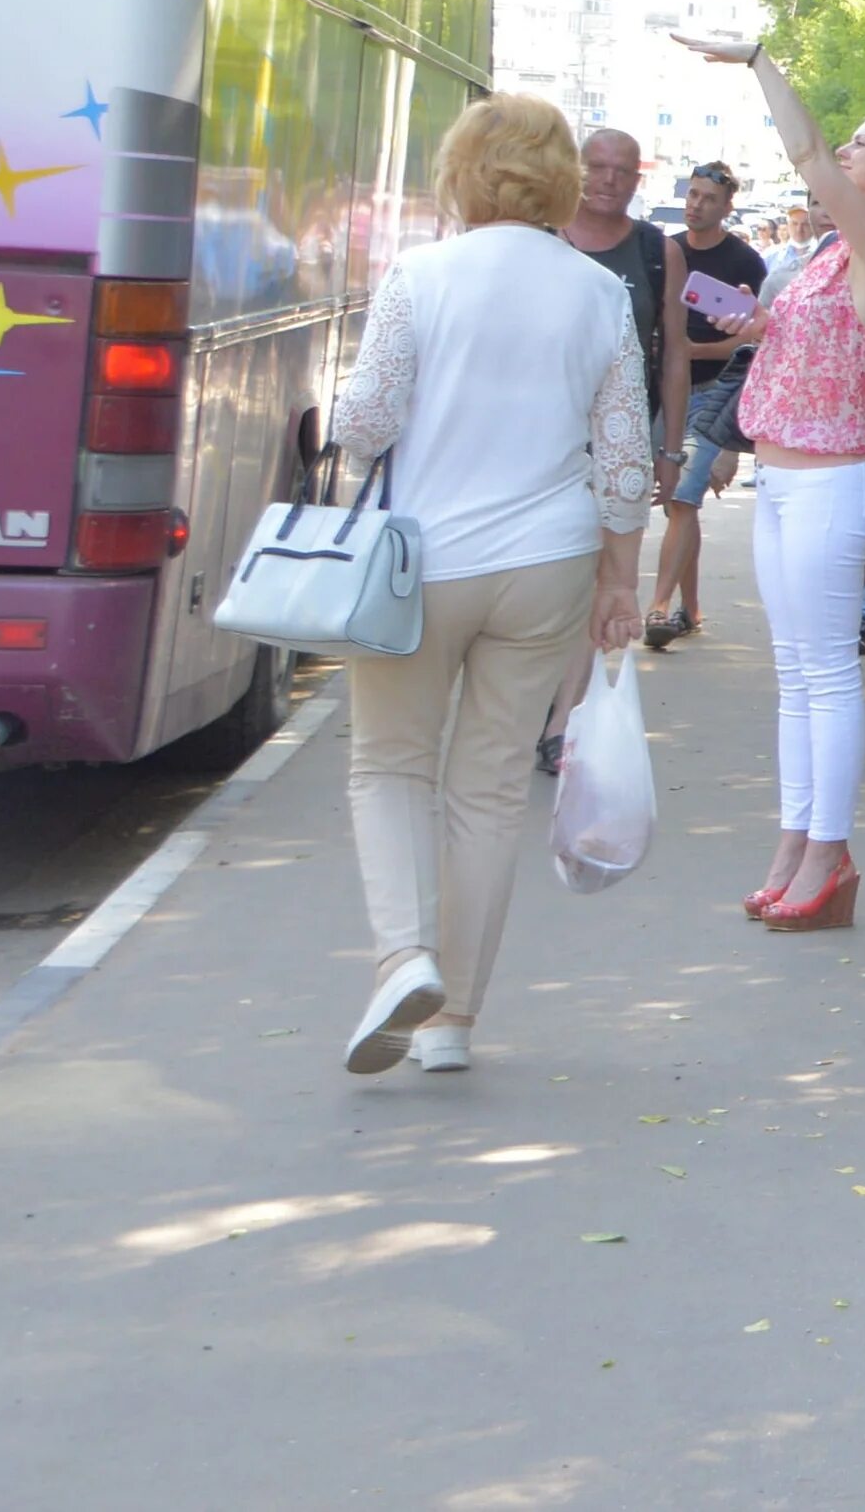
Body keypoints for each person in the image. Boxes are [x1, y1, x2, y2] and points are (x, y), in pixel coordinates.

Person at [330, 93, 650, 1077]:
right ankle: (453, 1024)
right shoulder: (599, 293)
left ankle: (401, 955)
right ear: (558, 176)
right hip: (548, 563)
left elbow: (363, 423)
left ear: (464, 171)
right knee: (489, 787)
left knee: (388, 764)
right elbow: (626, 460)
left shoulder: (421, 276)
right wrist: (619, 581)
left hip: (423, 564)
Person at [673, 40, 865, 932]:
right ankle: (797, 842)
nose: (848, 154)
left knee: (824, 675)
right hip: (786, 473)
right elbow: (832, 346)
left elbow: (806, 156)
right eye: (850, 143)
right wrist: (761, 323)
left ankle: (826, 851)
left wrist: (758, 63)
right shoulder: (834, 250)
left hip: (832, 482)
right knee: (797, 676)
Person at [536, 126, 690, 774]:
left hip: (619, 445)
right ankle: (535, 700)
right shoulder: (539, 238)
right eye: (595, 166)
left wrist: (671, 447)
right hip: (539, 438)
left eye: (621, 170)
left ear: (637, 179)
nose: (606, 179)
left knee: (600, 579)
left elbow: (675, 352)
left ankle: (559, 722)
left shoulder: (656, 251)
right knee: (542, 579)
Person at [645, 161, 769, 650]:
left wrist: (690, 351)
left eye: (708, 199)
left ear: (727, 207)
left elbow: (753, 340)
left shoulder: (744, 263)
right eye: (692, 195)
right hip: (664, 393)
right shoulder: (664, 250)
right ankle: (690, 608)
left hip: (714, 394)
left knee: (681, 500)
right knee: (682, 505)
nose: (696, 205)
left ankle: (657, 606)